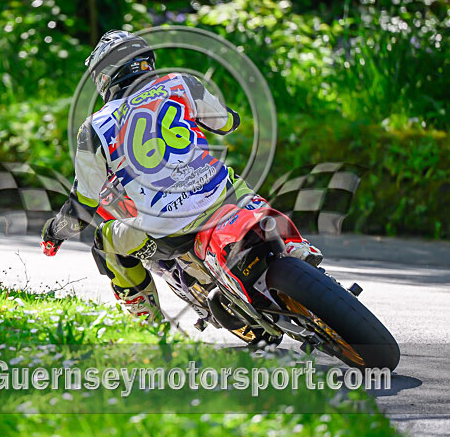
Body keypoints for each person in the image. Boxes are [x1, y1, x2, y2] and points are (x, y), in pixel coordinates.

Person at [41, 30, 322, 323]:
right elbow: (226, 122)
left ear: (103, 76)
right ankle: (292, 247)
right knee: (234, 183)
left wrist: (54, 233)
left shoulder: (94, 127)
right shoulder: (181, 83)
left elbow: (82, 206)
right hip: (218, 196)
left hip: (166, 230)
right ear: (146, 60)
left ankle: (148, 322)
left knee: (105, 243)